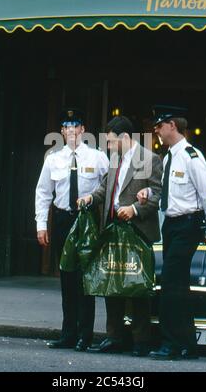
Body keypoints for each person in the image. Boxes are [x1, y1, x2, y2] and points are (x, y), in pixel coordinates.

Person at [137, 105, 206, 360]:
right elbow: (165, 190)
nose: (156, 131)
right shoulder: (169, 157)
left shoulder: (191, 156)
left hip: (187, 224)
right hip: (172, 225)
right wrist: (147, 193)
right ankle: (186, 344)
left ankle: (171, 343)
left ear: (173, 125)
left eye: (159, 126)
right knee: (178, 286)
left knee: (171, 284)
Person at [79, 116, 162, 357]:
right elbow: (106, 189)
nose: (109, 147)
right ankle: (113, 338)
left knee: (136, 287)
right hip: (112, 229)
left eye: (112, 142)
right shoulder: (115, 159)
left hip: (137, 231)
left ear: (125, 138)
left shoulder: (150, 159)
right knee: (111, 284)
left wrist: (135, 209)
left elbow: (157, 194)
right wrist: (90, 198)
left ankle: (141, 341)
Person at [35, 108, 109, 351]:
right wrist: (41, 225)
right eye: (66, 126)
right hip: (63, 220)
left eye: (75, 126)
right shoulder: (53, 158)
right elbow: (43, 193)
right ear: (62, 131)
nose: (71, 131)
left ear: (83, 130)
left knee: (85, 280)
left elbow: (109, 190)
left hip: (87, 221)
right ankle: (68, 333)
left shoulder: (98, 157)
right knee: (67, 278)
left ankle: (85, 335)